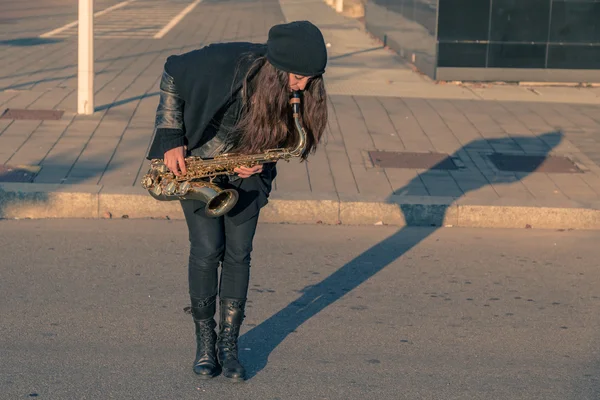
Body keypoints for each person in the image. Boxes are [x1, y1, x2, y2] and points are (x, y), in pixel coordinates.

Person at [146, 20, 328, 381]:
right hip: (198, 165)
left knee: (239, 253)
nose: (303, 86)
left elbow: (288, 140)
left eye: (309, 79)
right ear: (277, 68)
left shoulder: (299, 88)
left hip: (248, 175)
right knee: (206, 249)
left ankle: (229, 345)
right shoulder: (227, 61)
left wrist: (262, 159)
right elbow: (172, 70)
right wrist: (170, 136)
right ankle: (204, 343)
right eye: (296, 78)